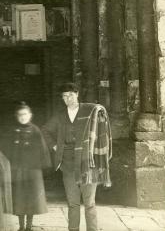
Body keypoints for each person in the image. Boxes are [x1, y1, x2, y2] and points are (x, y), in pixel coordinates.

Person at [42, 82, 112, 231]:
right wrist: (55, 146)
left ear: (77, 94)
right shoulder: (60, 116)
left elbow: (100, 110)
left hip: (88, 163)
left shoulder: (89, 110)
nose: (68, 99)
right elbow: (45, 130)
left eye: (71, 95)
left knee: (89, 203)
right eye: (65, 96)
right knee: (72, 203)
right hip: (67, 165)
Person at [1, 102, 51, 231]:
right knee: (19, 198)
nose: (22, 117)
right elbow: (7, 150)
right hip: (17, 170)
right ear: (16, 116)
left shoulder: (35, 130)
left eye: (25, 114)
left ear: (30, 115)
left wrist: (42, 167)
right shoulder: (12, 130)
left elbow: (43, 150)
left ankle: (29, 226)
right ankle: (21, 226)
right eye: (20, 115)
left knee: (32, 198)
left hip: (32, 171)